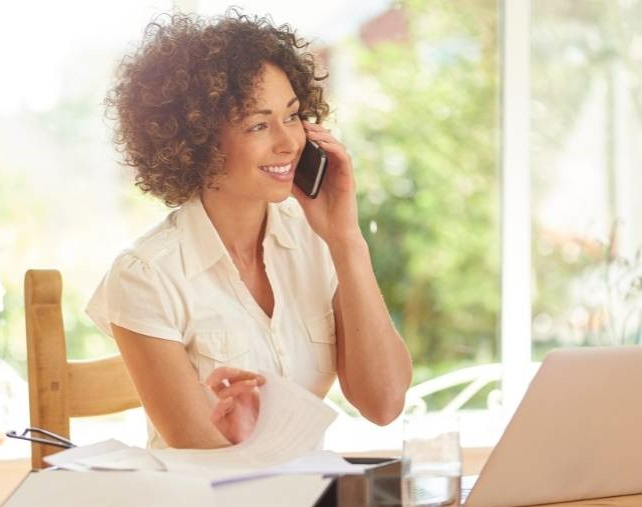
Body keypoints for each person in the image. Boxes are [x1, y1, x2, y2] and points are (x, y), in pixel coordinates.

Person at [87, 10, 412, 450]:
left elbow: (384, 403)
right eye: (258, 124)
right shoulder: (145, 276)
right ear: (197, 141)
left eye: (293, 116)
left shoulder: (317, 241)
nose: (288, 142)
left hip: (307, 502)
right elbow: (200, 451)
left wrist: (346, 240)